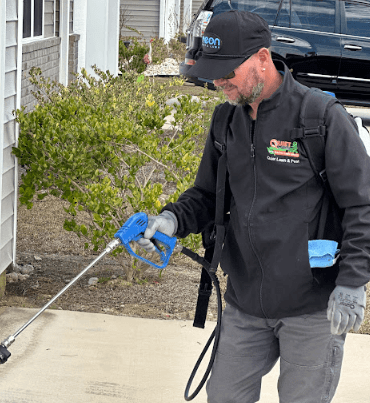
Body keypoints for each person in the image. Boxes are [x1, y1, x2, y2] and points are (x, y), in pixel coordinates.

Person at [136, 10, 370, 403]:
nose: (218, 81)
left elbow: (362, 205)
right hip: (245, 302)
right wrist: (171, 219)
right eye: (212, 70)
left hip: (312, 307)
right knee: (224, 396)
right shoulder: (226, 120)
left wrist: (352, 283)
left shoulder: (321, 118)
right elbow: (208, 195)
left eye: (228, 70)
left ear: (263, 58)